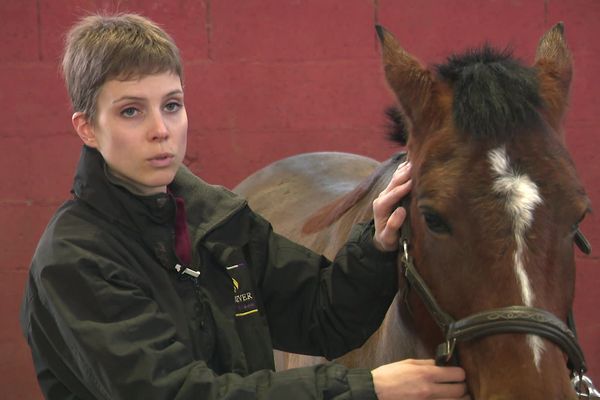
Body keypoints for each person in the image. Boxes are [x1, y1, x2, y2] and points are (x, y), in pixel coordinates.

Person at [19, 13, 469, 400]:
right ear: (87, 128)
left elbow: (322, 315)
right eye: (131, 111)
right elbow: (177, 393)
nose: (161, 130)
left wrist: (377, 242)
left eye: (172, 105)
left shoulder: (215, 220)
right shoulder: (75, 259)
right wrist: (368, 389)